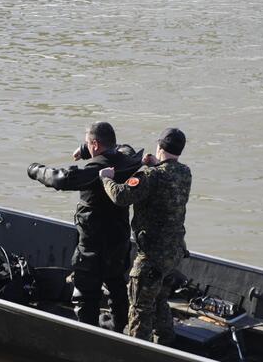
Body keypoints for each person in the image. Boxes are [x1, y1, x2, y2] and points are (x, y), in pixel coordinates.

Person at [27, 122, 143, 332]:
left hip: (93, 247)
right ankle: (121, 329)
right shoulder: (128, 161)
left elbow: (60, 179)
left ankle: (88, 334)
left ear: (96, 144)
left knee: (85, 293)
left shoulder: (95, 171)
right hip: (119, 240)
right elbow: (126, 148)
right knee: (116, 285)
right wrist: (84, 149)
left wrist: (34, 170)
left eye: (89, 144)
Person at [98, 128, 191, 345]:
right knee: (159, 299)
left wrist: (106, 179)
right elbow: (166, 177)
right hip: (174, 252)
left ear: (159, 147)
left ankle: (137, 351)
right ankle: (166, 343)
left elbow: (120, 196)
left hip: (152, 256)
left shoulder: (150, 176)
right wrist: (155, 164)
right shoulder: (185, 172)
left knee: (139, 306)